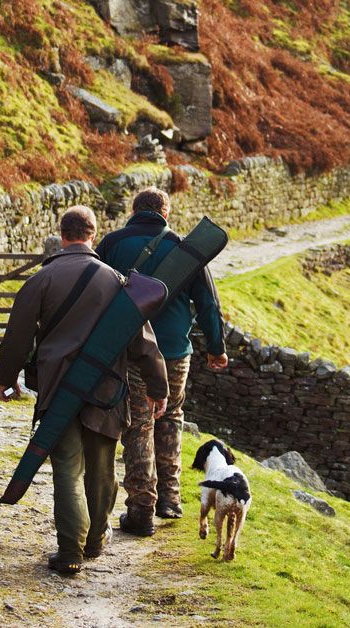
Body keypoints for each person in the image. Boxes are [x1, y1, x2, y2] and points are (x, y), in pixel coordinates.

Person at [0, 205, 169, 574]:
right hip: (105, 390)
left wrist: (6, 378)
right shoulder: (117, 281)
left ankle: (70, 550)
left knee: (67, 469)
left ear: (63, 235)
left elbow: (17, 336)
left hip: (58, 388)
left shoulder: (42, 279)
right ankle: (95, 540)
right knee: (102, 470)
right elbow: (144, 343)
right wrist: (159, 388)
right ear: (93, 234)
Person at [95, 187, 228, 535]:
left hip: (131, 349)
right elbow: (209, 305)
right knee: (171, 417)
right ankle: (169, 499)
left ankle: (141, 508)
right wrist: (217, 348)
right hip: (174, 351)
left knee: (139, 423)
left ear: (134, 210)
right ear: (165, 213)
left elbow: (94, 291)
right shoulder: (186, 250)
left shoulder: (111, 244)